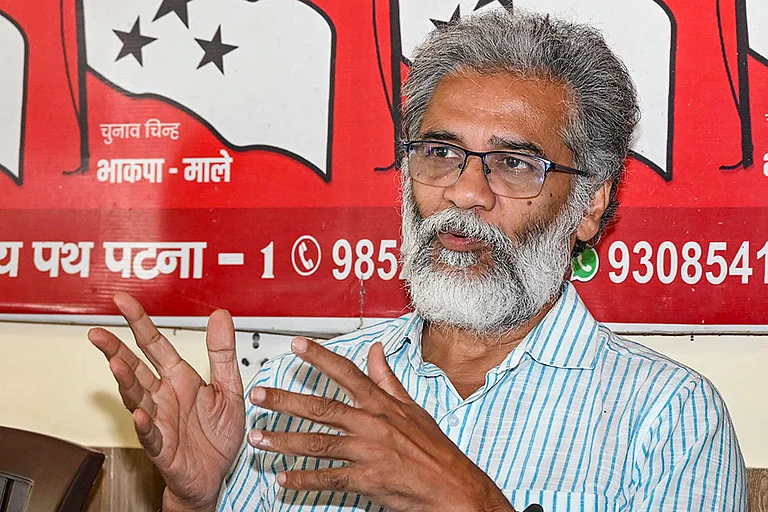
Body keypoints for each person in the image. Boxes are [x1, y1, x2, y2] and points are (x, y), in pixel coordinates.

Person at [88, 8, 747, 512]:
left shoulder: (667, 420)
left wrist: (469, 499)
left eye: (515, 163)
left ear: (590, 205)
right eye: (440, 152)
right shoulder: (307, 386)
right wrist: (196, 501)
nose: (463, 190)